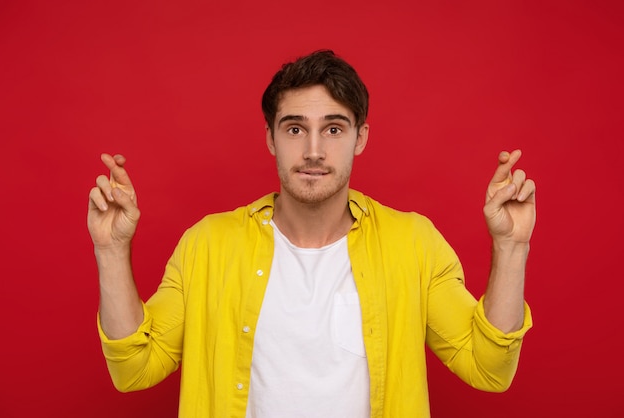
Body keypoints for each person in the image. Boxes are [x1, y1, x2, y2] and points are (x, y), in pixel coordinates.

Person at [88, 50, 536, 418]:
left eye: (334, 129)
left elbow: (488, 367)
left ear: (360, 137)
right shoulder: (208, 244)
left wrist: (511, 246)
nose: (314, 151)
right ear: (270, 138)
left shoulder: (413, 244)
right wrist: (111, 250)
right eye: (296, 128)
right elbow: (134, 368)